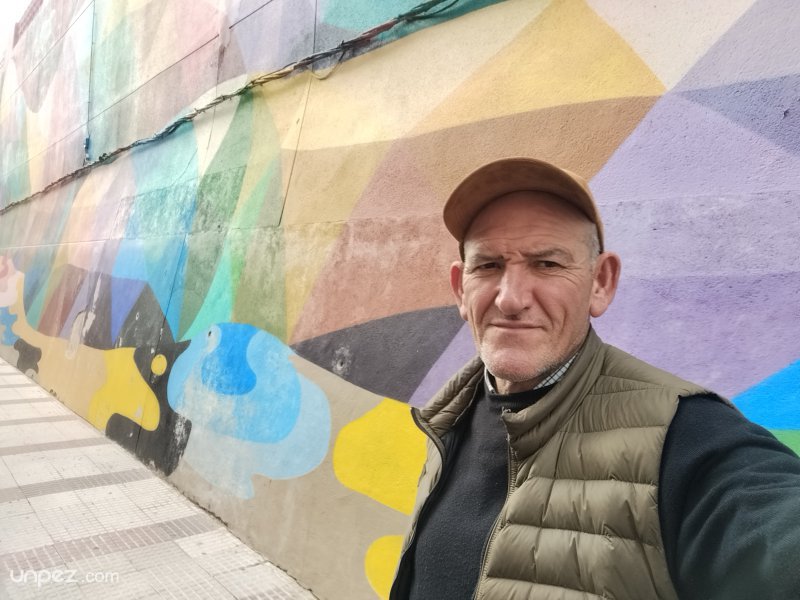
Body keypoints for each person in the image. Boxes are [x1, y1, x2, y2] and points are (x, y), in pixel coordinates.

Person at [389, 157, 800, 600]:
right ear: (460, 288)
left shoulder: (684, 436)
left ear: (601, 282)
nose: (510, 299)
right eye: (488, 265)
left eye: (547, 264)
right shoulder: (450, 416)